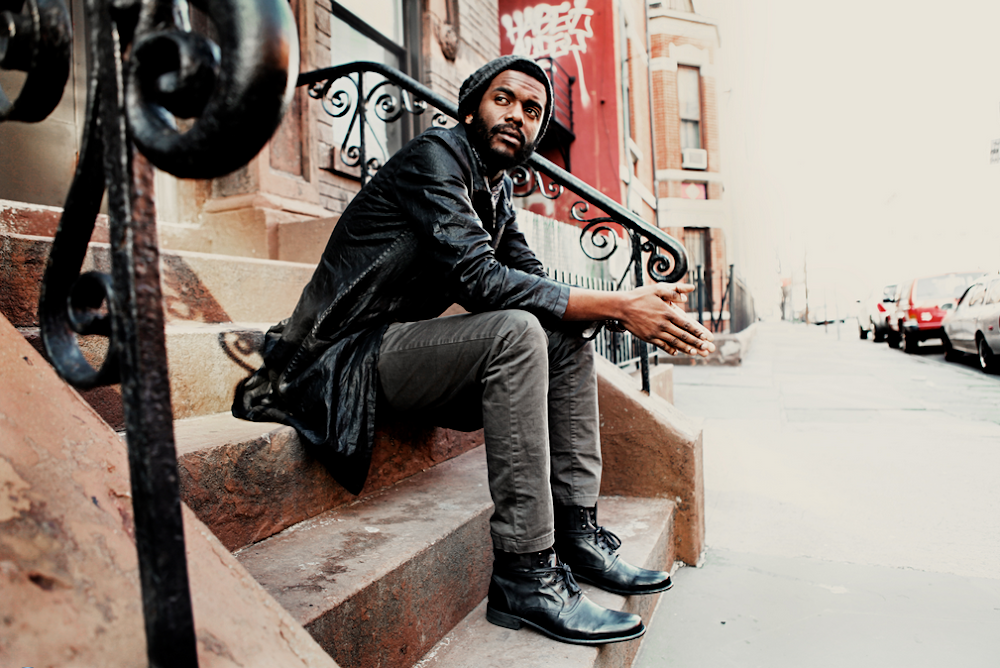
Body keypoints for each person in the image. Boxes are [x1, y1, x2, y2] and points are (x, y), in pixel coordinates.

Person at [233, 55, 715, 645]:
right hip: (337, 358)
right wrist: (620, 304)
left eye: (532, 110)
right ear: (470, 109)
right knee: (515, 331)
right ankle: (524, 574)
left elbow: (533, 281)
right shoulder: (433, 159)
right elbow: (481, 281)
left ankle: (576, 533)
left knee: (562, 333)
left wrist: (618, 308)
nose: (517, 115)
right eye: (503, 99)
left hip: (393, 351)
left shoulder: (495, 189)